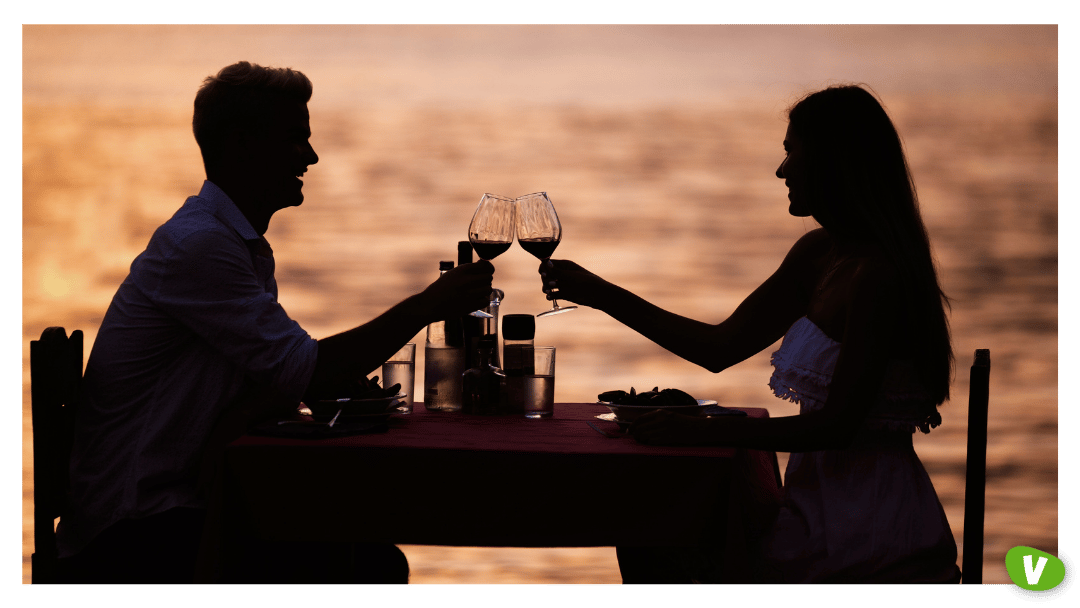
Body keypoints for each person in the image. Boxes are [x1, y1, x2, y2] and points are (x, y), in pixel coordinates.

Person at [54, 61, 494, 584]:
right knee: (371, 565)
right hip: (133, 535)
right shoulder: (200, 246)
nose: (310, 156)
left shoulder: (232, 243)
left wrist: (273, 398)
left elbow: (280, 377)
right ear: (242, 146)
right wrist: (427, 306)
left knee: (367, 553)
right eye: (294, 139)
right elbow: (304, 370)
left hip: (182, 509)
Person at [539, 84, 960, 584]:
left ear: (833, 162)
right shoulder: (818, 256)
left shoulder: (878, 278)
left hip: (869, 532)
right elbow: (718, 348)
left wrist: (708, 431)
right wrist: (601, 293)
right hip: (810, 517)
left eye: (790, 152)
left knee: (657, 536)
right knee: (649, 528)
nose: (781, 170)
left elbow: (836, 426)